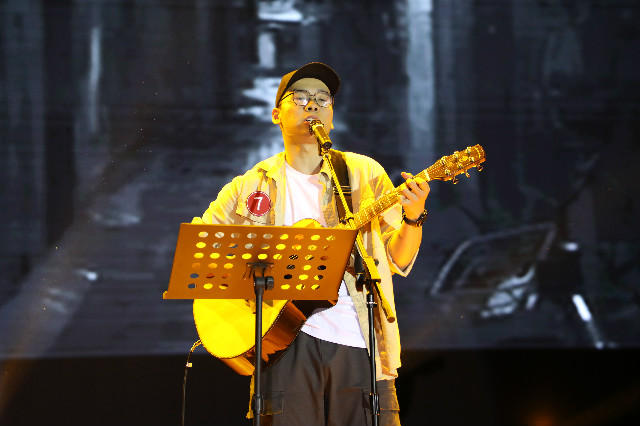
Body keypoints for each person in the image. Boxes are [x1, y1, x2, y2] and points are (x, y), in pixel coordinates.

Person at [192, 62, 429, 426]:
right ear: (276, 114)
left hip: (359, 339)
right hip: (281, 341)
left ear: (331, 116)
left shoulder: (364, 173)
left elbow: (397, 259)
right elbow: (203, 251)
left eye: (323, 99)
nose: (313, 104)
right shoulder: (250, 185)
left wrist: (413, 217)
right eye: (300, 98)